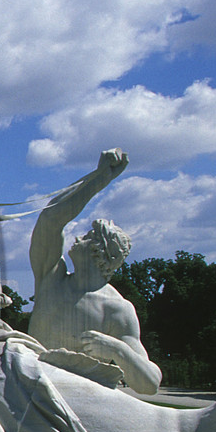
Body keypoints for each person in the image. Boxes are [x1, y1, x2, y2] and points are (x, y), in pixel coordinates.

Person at [28, 148, 162, 396]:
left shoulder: (117, 309)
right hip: (29, 394)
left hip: (80, 404)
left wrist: (116, 350)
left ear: (100, 252)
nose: (78, 236)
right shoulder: (51, 277)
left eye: (89, 236)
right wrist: (99, 179)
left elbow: (150, 383)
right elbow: (50, 219)